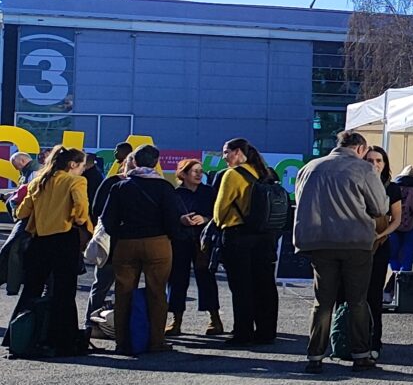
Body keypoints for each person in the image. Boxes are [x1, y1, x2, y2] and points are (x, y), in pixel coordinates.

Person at [292, 130, 389, 373]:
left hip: (319, 242)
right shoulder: (363, 169)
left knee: (323, 302)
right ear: (359, 149)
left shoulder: (310, 167)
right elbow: (379, 207)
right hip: (355, 242)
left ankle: (315, 356)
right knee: (357, 301)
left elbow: (300, 201)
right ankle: (361, 355)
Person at [101, 145, 188, 355]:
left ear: (135, 162)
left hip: (126, 243)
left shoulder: (120, 187)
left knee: (123, 292)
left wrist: (121, 233)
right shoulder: (164, 187)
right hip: (157, 242)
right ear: (156, 163)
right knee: (157, 292)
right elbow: (171, 218)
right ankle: (156, 341)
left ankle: (122, 342)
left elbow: (107, 220)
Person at [14, 146, 93, 355]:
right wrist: (82, 223)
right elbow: (81, 211)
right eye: (82, 166)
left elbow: (22, 211)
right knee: (63, 292)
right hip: (64, 240)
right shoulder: (75, 181)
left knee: (32, 289)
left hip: (38, 241)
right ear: (73, 164)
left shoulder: (38, 181)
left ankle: (21, 337)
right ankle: (63, 341)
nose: (83, 170)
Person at [213, 138, 281, 346]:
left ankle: (243, 333)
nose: (224, 157)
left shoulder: (232, 175)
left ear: (238, 152)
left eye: (226, 152)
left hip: (238, 236)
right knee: (266, 285)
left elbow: (219, 213)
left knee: (242, 287)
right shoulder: (266, 173)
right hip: (266, 237)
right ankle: (266, 332)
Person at [167, 158, 220, 336]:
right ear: (183, 174)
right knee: (177, 280)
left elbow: (218, 214)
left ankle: (215, 319)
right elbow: (168, 217)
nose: (199, 174)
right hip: (180, 241)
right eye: (194, 171)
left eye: (200, 170)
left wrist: (205, 219)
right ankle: (176, 320)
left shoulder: (209, 192)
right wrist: (181, 220)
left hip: (203, 242)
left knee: (206, 279)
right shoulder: (175, 194)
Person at [361, 145, 405, 358]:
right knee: (352, 293)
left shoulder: (392, 188)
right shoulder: (355, 183)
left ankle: (374, 341)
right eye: (370, 160)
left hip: (380, 245)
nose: (374, 164)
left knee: (373, 294)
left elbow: (397, 218)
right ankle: (351, 338)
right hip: (356, 245)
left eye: (379, 160)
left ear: (385, 164)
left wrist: (382, 235)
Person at [84, 142, 135, 321]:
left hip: (118, 243)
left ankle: (98, 325)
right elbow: (97, 210)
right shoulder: (112, 182)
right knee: (112, 285)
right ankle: (98, 325)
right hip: (122, 244)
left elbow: (96, 210)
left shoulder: (111, 183)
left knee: (106, 286)